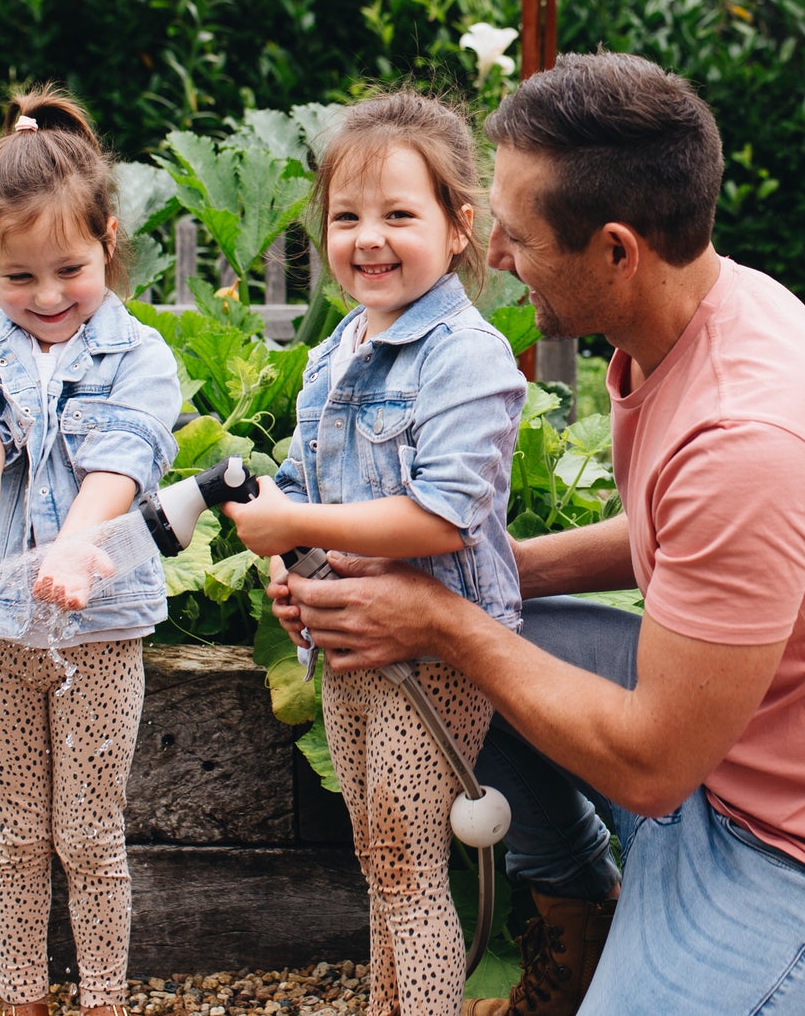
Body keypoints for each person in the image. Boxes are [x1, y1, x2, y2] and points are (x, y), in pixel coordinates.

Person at [274, 52, 805, 1016]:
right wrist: (484, 573)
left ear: (615, 250)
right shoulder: (707, 313)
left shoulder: (749, 439)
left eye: (518, 237)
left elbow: (651, 765)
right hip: (720, 745)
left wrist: (441, 618)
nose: (501, 258)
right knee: (491, 623)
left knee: (472, 640)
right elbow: (664, 530)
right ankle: (580, 909)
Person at [224, 89, 526, 1016]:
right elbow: (313, 493)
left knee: (405, 862)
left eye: (400, 214)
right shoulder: (335, 353)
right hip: (351, 641)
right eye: (347, 216)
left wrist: (301, 530)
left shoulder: (465, 357)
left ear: (459, 226)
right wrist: (291, 569)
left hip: (438, 648)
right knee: (378, 855)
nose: (369, 238)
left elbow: (443, 517)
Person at [0, 86, 181, 1016]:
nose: (49, 297)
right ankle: (23, 999)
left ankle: (102, 1000)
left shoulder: (140, 354)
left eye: (69, 268)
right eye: (19, 279)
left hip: (97, 631)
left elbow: (127, 455)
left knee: (92, 838)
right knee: (16, 836)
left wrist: (73, 546)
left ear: (106, 238)